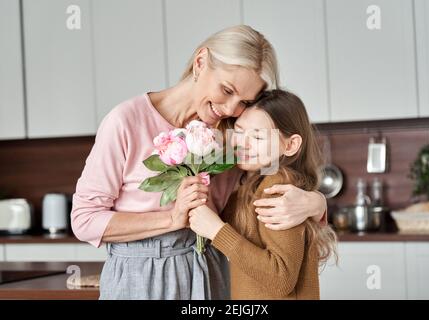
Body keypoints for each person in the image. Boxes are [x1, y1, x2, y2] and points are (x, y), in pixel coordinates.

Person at [71, 25, 327, 300]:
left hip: (210, 266)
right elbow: (85, 220)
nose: (230, 108)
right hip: (141, 275)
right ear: (200, 62)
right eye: (227, 90)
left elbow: (274, 174)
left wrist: (317, 203)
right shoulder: (126, 122)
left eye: (244, 101)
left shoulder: (233, 131)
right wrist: (171, 219)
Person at [189, 90, 337, 299]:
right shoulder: (247, 180)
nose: (242, 143)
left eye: (258, 136)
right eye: (239, 131)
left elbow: (281, 278)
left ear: (291, 145)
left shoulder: (277, 188)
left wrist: (216, 231)